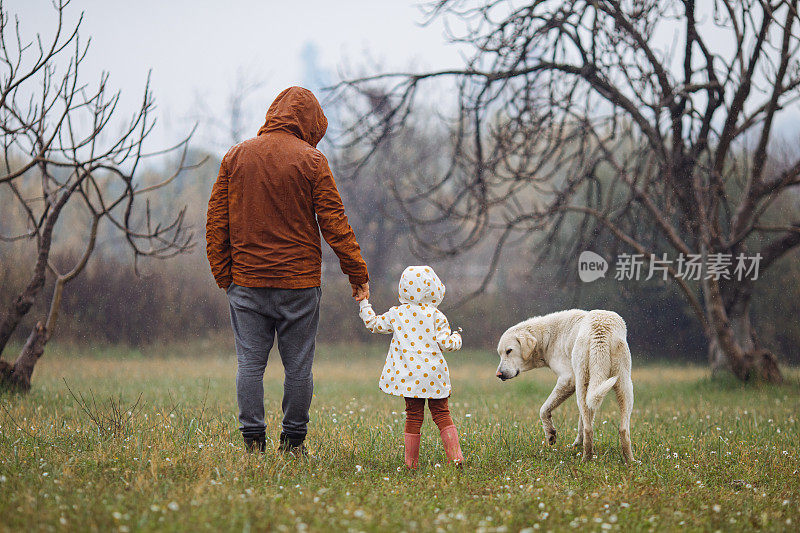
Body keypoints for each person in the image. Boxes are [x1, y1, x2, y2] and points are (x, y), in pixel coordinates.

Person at [206, 86, 370, 455]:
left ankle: (252, 444)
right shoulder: (312, 161)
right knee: (298, 368)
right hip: (299, 286)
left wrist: (224, 275)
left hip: (247, 283)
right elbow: (335, 223)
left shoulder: (236, 157)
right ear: (309, 121)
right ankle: (293, 444)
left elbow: (216, 221)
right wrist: (357, 274)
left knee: (249, 364)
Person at [358, 265, 464, 468]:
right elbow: (447, 344)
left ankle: (411, 465)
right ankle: (456, 459)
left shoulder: (397, 314)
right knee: (442, 414)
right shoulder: (436, 316)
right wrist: (457, 337)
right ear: (434, 289)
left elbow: (373, 324)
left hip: (410, 377)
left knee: (413, 415)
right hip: (433, 375)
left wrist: (364, 303)